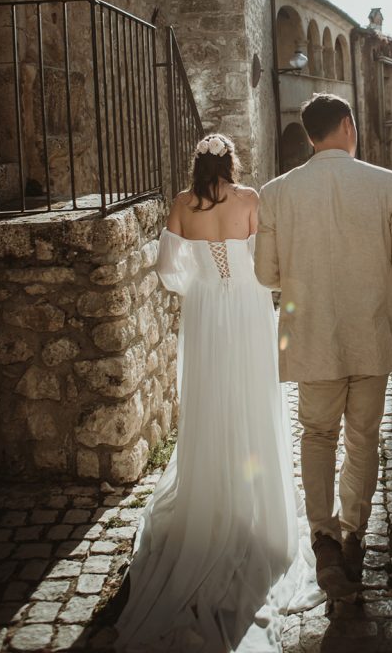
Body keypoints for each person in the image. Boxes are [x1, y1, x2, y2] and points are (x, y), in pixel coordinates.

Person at [116, 134, 320, 653]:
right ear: (231, 162)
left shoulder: (181, 205)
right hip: (249, 311)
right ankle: (255, 509)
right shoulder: (250, 199)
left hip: (205, 313)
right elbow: (266, 264)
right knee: (251, 398)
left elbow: (169, 272)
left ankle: (212, 496)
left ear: (197, 164)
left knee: (210, 400)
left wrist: (202, 283)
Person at [254, 94, 392, 599]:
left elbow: (266, 274)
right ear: (348, 125)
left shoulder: (276, 193)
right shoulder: (386, 184)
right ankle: (354, 535)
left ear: (310, 136)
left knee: (317, 435)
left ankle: (323, 538)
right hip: (370, 333)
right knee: (363, 439)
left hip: (312, 336)